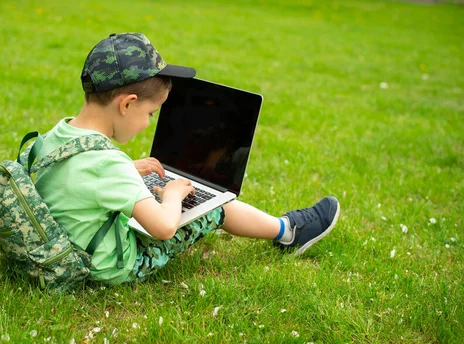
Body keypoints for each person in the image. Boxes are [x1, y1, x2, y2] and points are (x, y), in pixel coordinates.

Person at [34, 32, 340, 285]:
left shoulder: (58, 135)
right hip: (109, 266)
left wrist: (129, 169)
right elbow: (164, 228)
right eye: (150, 114)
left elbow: (80, 179)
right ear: (127, 104)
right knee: (216, 205)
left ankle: (283, 229)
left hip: (72, 243)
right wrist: (173, 194)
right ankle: (288, 232)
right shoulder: (109, 165)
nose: (148, 123)